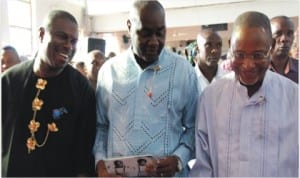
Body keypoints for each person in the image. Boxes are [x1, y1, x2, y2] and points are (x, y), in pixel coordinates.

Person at [93, 0, 199, 177]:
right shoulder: (109, 71)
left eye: (160, 33)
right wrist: (100, 163)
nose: (154, 41)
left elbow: (195, 127)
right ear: (129, 26)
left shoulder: (183, 71)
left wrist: (178, 159)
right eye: (145, 33)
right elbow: (101, 126)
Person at [189, 11, 298, 177]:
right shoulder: (211, 99)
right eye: (239, 55)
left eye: (258, 55)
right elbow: (203, 165)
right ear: (231, 47)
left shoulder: (293, 98)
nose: (248, 65)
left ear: (270, 49)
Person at [2, 10, 96, 177]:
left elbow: (84, 155)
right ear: (41, 34)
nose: (68, 45)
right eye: (61, 36)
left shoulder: (82, 89)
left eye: (73, 41)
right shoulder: (9, 81)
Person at [270, 15, 298, 83]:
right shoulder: (258, 71)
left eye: (289, 34)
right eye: (278, 34)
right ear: (267, 37)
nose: (285, 39)